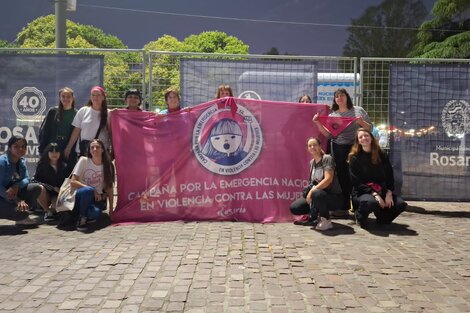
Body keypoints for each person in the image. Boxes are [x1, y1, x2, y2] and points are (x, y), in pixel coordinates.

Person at [312, 88, 371, 214]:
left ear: (347, 97)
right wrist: (317, 123)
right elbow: (329, 135)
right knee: (343, 177)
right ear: (335, 99)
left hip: (356, 147)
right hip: (339, 148)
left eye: (342, 95)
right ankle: (344, 205)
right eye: (337, 96)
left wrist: (361, 122)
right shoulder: (333, 115)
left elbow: (370, 128)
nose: (339, 98)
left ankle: (357, 205)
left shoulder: (358, 110)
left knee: (356, 175)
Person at [348, 128, 407, 229]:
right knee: (370, 202)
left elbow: (389, 175)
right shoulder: (354, 157)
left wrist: (389, 193)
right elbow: (356, 182)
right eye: (360, 137)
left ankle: (382, 217)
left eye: (366, 135)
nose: (364, 138)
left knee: (401, 204)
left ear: (371, 137)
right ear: (358, 141)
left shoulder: (382, 154)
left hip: (381, 189)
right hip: (363, 191)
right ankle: (360, 216)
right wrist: (375, 194)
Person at [289, 137, 343, 231]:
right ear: (307, 148)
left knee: (316, 193)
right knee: (295, 207)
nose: (312, 147)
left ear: (320, 146)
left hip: (333, 196)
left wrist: (312, 191)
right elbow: (312, 182)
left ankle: (326, 220)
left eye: (315, 145)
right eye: (310, 146)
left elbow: (328, 179)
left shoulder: (327, 158)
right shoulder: (312, 163)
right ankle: (315, 214)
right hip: (318, 195)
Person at [70, 139, 115, 232]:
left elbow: (109, 188)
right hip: (80, 195)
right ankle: (81, 219)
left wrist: (111, 209)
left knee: (95, 214)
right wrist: (92, 189)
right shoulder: (84, 161)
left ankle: (84, 214)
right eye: (92, 147)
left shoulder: (107, 165)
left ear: (102, 149)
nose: (95, 149)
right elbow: (73, 182)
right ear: (89, 150)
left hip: (95, 199)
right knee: (88, 191)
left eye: (97, 147)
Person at [0, 136, 42, 225]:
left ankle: (22, 216)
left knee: (36, 188)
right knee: (20, 213)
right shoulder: (2, 162)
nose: (20, 149)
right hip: (2, 195)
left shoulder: (22, 162)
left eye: (23, 146)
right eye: (16, 146)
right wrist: (17, 200)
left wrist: (17, 186)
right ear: (10, 148)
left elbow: (27, 179)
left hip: (13, 195)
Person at [64, 86, 111, 159]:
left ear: (103, 97)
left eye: (98, 95)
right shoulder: (83, 111)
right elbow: (76, 131)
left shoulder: (109, 113)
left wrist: (113, 150)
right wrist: (68, 148)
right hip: (84, 151)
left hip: (102, 153)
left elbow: (111, 134)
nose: (95, 97)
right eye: (93, 95)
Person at [38, 87, 77, 174]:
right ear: (60, 98)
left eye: (68, 96)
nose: (65, 99)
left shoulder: (77, 114)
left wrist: (69, 148)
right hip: (53, 146)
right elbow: (45, 131)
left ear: (73, 98)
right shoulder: (53, 111)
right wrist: (43, 149)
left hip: (68, 148)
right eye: (63, 96)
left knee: (66, 172)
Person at [34, 142, 67, 222]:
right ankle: (47, 211)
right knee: (38, 188)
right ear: (47, 153)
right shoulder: (41, 165)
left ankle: (53, 210)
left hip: (58, 194)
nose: (54, 154)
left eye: (57, 151)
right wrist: (52, 187)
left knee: (58, 208)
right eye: (51, 151)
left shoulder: (64, 166)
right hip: (46, 193)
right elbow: (35, 180)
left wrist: (61, 189)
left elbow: (67, 181)